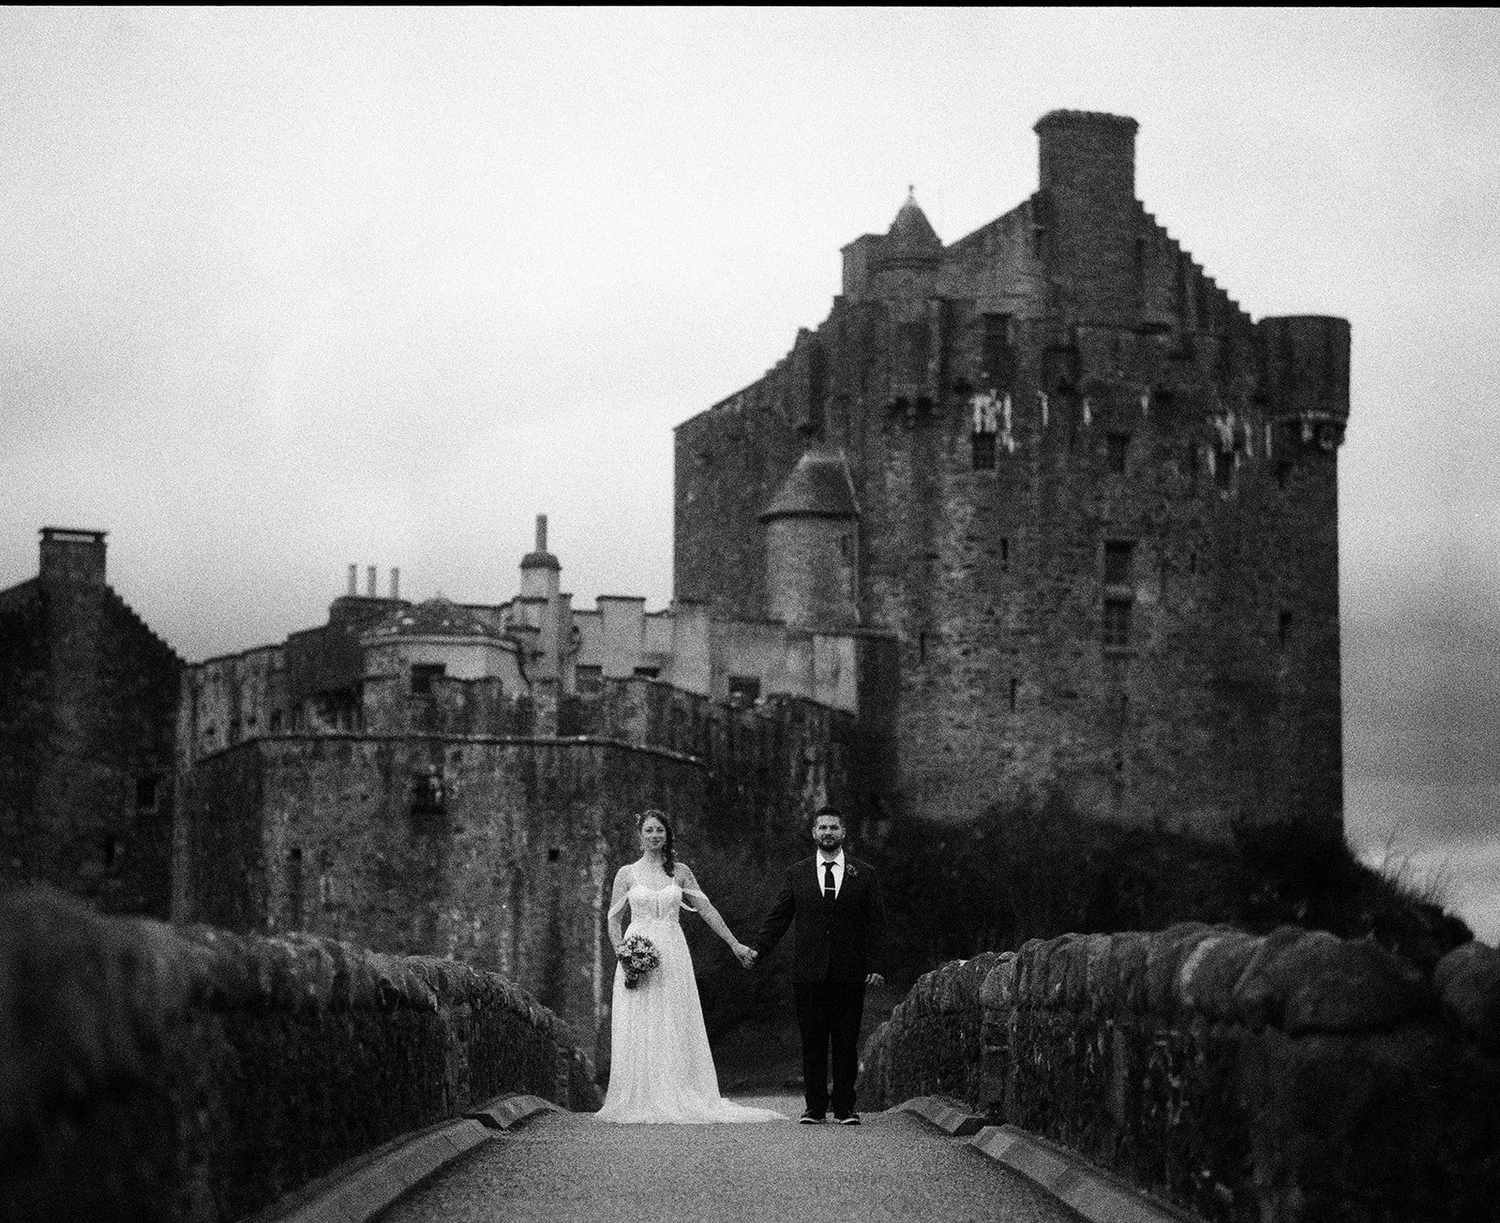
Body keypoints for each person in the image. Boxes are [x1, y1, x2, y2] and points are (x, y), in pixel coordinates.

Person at [594, 810, 785, 1124]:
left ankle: (675, 1091)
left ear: (667, 835)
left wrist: (735, 944)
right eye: (649, 830)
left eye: (660, 831)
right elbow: (613, 920)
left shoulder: (680, 872)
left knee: (673, 1019)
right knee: (640, 1019)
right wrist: (622, 952)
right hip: (636, 950)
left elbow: (706, 910)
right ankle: (640, 1094)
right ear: (640, 835)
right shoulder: (626, 873)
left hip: (672, 951)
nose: (655, 836)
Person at [750, 807, 885, 1125]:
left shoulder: (864, 873)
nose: (828, 832)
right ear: (813, 833)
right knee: (812, 1040)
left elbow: (875, 923)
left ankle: (844, 1107)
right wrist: (759, 949)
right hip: (808, 971)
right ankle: (814, 1107)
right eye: (822, 827)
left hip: (849, 971)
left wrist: (876, 963)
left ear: (843, 832)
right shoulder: (797, 873)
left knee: (845, 1041)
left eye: (833, 827)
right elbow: (780, 915)